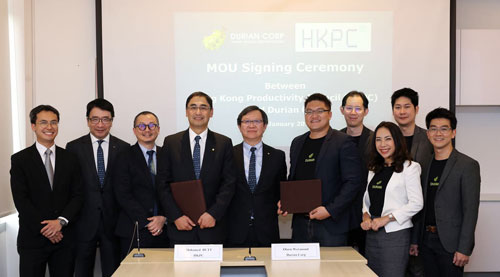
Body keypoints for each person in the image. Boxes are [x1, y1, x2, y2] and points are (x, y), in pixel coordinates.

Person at [279, 93, 362, 246]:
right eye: (309, 112)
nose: (314, 116)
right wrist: (286, 202)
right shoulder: (297, 142)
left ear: (330, 114)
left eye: (319, 111)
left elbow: (353, 183)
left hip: (331, 226)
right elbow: (294, 179)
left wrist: (329, 210)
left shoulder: (343, 142)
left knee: (332, 270)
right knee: (301, 270)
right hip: (300, 225)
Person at [10, 105, 83, 276]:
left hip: (64, 238)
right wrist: (47, 229)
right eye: (43, 122)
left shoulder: (70, 158)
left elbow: (78, 195)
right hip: (33, 239)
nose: (49, 127)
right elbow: (21, 200)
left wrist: (60, 222)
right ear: (33, 126)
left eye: (54, 122)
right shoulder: (20, 159)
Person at [157, 91, 236, 245]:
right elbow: (162, 184)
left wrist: (213, 214)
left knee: (212, 270)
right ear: (186, 112)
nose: (198, 112)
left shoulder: (224, 143)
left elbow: (229, 184)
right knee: (181, 270)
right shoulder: (171, 142)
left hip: (213, 228)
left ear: (211, 112)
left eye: (203, 108)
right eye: (193, 107)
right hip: (180, 227)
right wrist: (176, 216)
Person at [411, 108, 480, 277]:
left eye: (444, 128)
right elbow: (421, 205)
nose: (438, 133)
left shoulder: (467, 165)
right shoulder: (424, 164)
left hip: (451, 243)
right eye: (433, 128)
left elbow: (470, 211)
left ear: (453, 132)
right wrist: (415, 240)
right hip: (426, 240)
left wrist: (464, 248)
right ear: (428, 134)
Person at [66, 99, 129, 277]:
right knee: (82, 272)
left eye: (105, 119)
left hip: (113, 223)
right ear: (87, 121)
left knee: (114, 272)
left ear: (112, 121)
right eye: (95, 119)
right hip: (83, 223)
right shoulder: (74, 148)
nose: (100, 124)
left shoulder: (124, 148)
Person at [361, 121, 423, 277]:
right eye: (378, 139)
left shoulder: (410, 167)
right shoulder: (373, 168)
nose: (383, 144)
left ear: (397, 140)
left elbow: (417, 203)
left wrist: (386, 219)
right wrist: (366, 215)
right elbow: (367, 199)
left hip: (394, 235)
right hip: (372, 234)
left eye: (388, 139)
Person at [226, 106, 287, 247]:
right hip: (234, 230)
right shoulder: (228, 154)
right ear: (239, 126)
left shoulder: (277, 156)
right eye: (246, 121)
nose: (252, 125)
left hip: (267, 230)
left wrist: (284, 201)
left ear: (265, 126)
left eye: (257, 121)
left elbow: (281, 190)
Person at [113, 111, 168, 260]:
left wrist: (163, 218)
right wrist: (147, 222)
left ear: (158, 129)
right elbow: (122, 194)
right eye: (142, 126)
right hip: (134, 229)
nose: (147, 130)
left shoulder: (167, 155)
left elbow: (173, 191)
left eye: (151, 125)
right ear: (134, 130)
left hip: (164, 230)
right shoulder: (123, 156)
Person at [391, 88, 432, 276]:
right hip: (392, 215)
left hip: (421, 213)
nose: (402, 111)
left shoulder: (429, 138)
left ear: (416, 109)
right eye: (397, 107)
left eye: (407, 106)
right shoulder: (386, 139)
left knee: (418, 269)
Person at [339, 90, 373, 255]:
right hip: (339, 215)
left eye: (358, 109)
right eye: (349, 108)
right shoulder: (333, 139)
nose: (353, 113)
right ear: (341, 110)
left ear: (366, 111)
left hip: (367, 215)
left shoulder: (376, 141)